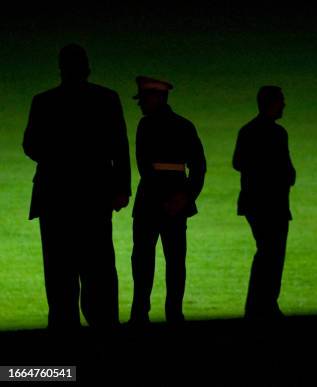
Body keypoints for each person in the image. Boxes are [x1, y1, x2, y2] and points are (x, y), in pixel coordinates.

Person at [22, 44, 131, 330]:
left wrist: (58, 153)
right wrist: (121, 187)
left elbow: (31, 146)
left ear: (61, 68)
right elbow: (119, 147)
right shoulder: (106, 99)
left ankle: (63, 334)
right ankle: (104, 327)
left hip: (55, 197)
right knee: (99, 269)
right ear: (87, 67)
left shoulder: (43, 101)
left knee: (59, 272)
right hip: (94, 196)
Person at [129, 76, 206, 325]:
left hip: (149, 202)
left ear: (156, 97)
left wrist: (174, 198)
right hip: (176, 203)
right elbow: (199, 168)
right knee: (174, 261)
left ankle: (140, 313)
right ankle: (174, 313)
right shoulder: (185, 126)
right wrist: (183, 197)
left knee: (143, 260)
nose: (141, 104)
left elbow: (144, 166)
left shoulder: (146, 126)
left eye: (144, 99)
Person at [232, 86, 296, 319]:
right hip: (273, 204)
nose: (284, 106)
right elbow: (285, 168)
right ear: (272, 104)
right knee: (272, 255)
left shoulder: (247, 131)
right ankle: (265, 305)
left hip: (256, 203)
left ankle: (260, 305)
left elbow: (238, 162)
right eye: (281, 102)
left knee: (267, 254)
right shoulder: (278, 134)